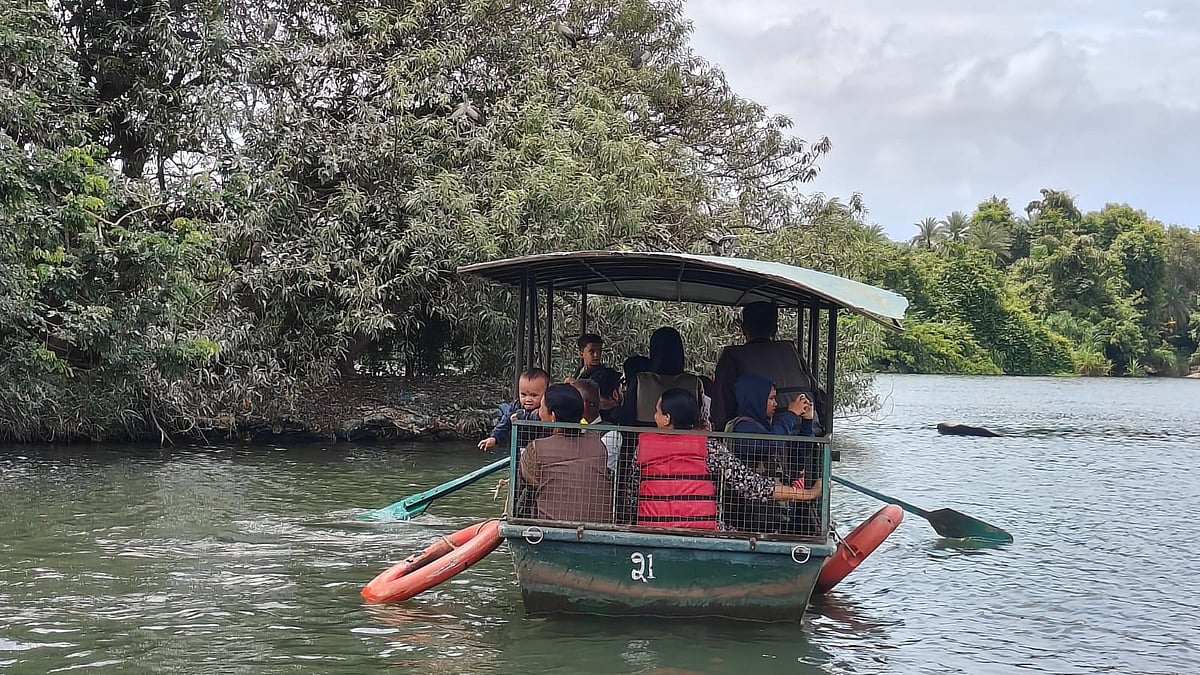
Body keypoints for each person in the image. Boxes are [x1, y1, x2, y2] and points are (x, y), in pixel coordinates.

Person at [633, 388, 819, 531]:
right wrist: (807, 494)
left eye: (657, 411)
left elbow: (632, 495)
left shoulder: (643, 447)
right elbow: (753, 485)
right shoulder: (709, 447)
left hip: (651, 529)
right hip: (702, 532)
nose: (654, 416)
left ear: (667, 419)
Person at [723, 374, 821, 534]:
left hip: (774, 512)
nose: (776, 404)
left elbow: (796, 458)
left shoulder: (768, 428)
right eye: (771, 399)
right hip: (750, 515)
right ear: (756, 399)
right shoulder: (742, 428)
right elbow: (770, 444)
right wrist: (791, 414)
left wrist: (807, 423)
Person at [711, 302, 822, 433]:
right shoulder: (791, 351)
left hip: (767, 437)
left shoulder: (733, 356)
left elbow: (721, 409)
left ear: (743, 329)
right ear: (775, 329)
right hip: (809, 432)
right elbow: (817, 395)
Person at [519, 384, 614, 523]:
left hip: (551, 529)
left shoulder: (536, 448)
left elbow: (526, 483)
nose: (538, 413)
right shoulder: (598, 445)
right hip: (597, 528)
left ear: (553, 416)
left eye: (542, 408)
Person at [629, 327, 704, 426]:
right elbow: (701, 418)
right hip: (684, 434)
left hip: (642, 432)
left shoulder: (640, 381)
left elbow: (627, 417)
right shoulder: (693, 382)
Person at [478, 367, 550, 451]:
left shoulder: (545, 408)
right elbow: (504, 423)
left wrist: (519, 416)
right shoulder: (516, 405)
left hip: (541, 450)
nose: (528, 399)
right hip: (520, 448)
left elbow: (538, 418)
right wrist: (494, 438)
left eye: (534, 395)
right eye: (523, 394)